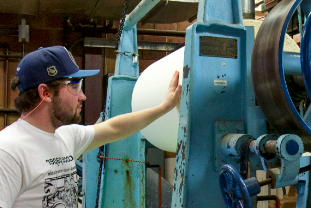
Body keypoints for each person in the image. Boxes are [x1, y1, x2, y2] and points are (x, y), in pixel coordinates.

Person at [0, 46, 182, 208]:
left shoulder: (65, 137)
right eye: (75, 86)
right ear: (45, 92)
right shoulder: (8, 151)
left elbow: (114, 128)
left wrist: (163, 108)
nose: (82, 96)